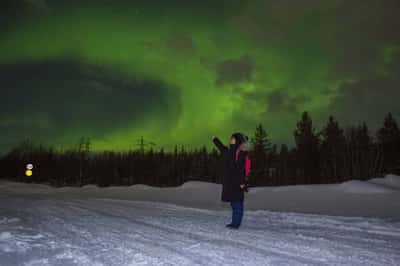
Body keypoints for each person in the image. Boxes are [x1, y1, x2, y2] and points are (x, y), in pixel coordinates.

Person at [212, 133, 251, 229]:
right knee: (234, 203)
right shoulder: (229, 151)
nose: (230, 140)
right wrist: (215, 139)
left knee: (237, 203)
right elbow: (221, 147)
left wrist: (243, 182)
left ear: (238, 141)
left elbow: (243, 169)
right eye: (231, 138)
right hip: (230, 182)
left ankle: (236, 224)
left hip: (238, 182)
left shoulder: (241, 153)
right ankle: (234, 222)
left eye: (233, 139)